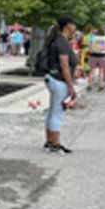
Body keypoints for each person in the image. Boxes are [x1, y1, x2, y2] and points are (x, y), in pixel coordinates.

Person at [42, 15, 78, 154]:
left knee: (52, 111)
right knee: (57, 113)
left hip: (52, 78)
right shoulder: (62, 42)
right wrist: (70, 86)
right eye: (73, 24)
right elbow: (64, 65)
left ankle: (50, 140)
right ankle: (55, 143)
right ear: (67, 25)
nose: (75, 27)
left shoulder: (56, 40)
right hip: (59, 80)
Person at [86, 26, 105, 90]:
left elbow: (89, 46)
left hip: (93, 55)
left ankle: (89, 85)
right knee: (101, 71)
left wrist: (91, 50)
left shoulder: (92, 37)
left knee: (92, 71)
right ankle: (101, 85)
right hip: (102, 55)